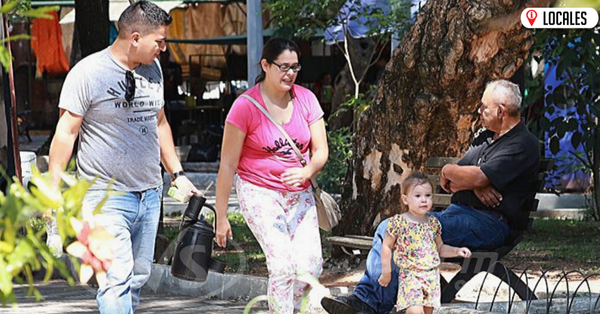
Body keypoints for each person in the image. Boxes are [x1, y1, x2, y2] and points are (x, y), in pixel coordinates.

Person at [321, 79, 540, 314]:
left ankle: (368, 304)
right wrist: (464, 178)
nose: (479, 111)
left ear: (500, 111)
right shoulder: (485, 137)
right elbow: (456, 174)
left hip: (488, 223)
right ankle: (368, 303)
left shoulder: (522, 143)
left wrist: (474, 179)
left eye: (484, 107)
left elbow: (474, 176)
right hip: (459, 214)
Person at [48, 2, 197, 313]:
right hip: (104, 195)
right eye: (159, 41)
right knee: (115, 277)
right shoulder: (88, 73)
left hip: (149, 193)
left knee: (137, 277)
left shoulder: (152, 69)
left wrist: (177, 174)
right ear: (135, 38)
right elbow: (66, 133)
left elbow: (160, 122)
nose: (164, 49)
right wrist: (54, 189)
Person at [213, 37, 329, 314]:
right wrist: (220, 215)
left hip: (299, 193)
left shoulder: (306, 99)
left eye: (296, 67)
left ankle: (294, 307)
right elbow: (228, 164)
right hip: (259, 191)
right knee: (282, 265)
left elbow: (321, 150)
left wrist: (306, 170)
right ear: (265, 65)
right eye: (284, 66)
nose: (290, 73)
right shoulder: (245, 106)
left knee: (310, 266)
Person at [378, 172, 470, 314]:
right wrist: (386, 272)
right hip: (410, 275)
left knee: (427, 312)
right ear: (405, 199)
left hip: (431, 276)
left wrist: (457, 251)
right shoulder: (398, 222)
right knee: (415, 311)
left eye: (428, 196)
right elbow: (386, 246)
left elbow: (440, 248)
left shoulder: (433, 223)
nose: (424, 200)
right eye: (418, 196)